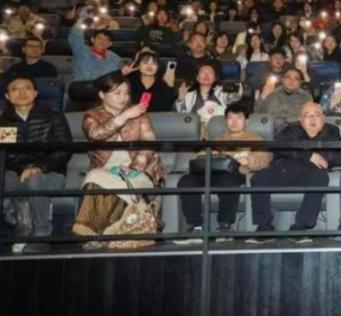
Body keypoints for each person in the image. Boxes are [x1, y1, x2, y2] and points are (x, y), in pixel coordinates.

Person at [71, 72, 166, 246]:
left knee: (111, 182)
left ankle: (107, 235)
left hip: (140, 168)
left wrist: (136, 166)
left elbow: (149, 143)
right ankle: (93, 235)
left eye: (126, 93)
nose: (123, 98)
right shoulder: (91, 115)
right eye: (117, 93)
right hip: (106, 169)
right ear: (102, 94)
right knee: (94, 178)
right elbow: (96, 135)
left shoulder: (139, 114)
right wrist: (124, 116)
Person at [249, 101, 341, 240]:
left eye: (316, 114)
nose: (312, 119)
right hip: (286, 168)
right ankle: (264, 228)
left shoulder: (332, 131)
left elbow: (338, 156)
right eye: (307, 115)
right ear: (300, 119)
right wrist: (309, 155)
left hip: (312, 172)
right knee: (259, 177)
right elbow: (279, 147)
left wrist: (315, 158)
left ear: (324, 118)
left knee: (320, 178)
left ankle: (300, 227)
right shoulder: (290, 130)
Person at [175, 102, 272, 238]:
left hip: (233, 173)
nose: (234, 122)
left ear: (247, 120)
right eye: (230, 118)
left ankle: (225, 226)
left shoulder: (254, 138)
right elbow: (196, 158)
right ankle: (196, 227)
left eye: (238, 117)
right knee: (186, 181)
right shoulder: (218, 138)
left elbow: (264, 160)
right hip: (210, 172)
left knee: (228, 182)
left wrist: (249, 160)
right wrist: (208, 154)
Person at [0, 75, 72, 252]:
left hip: (51, 174)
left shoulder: (53, 116)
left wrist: (38, 168)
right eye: (15, 89)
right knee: (6, 177)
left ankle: (41, 234)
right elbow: (5, 155)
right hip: (17, 174)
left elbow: (64, 150)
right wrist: (22, 169)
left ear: (35, 93)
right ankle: (20, 224)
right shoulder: (4, 121)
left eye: (27, 88)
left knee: (34, 180)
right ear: (7, 96)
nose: (22, 92)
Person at [174, 63, 241, 137]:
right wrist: (181, 99)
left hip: (218, 132)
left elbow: (232, 98)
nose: (206, 75)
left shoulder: (222, 92)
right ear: (197, 77)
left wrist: (238, 92)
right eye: (203, 72)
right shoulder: (188, 95)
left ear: (215, 78)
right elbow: (184, 119)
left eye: (210, 73)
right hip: (195, 134)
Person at [69, 10, 122, 81]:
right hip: (81, 86)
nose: (102, 42)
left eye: (106, 40)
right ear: (92, 40)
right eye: (99, 38)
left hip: (104, 87)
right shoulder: (81, 51)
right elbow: (75, 36)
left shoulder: (115, 59)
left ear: (110, 44)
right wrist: (85, 19)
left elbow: (116, 79)